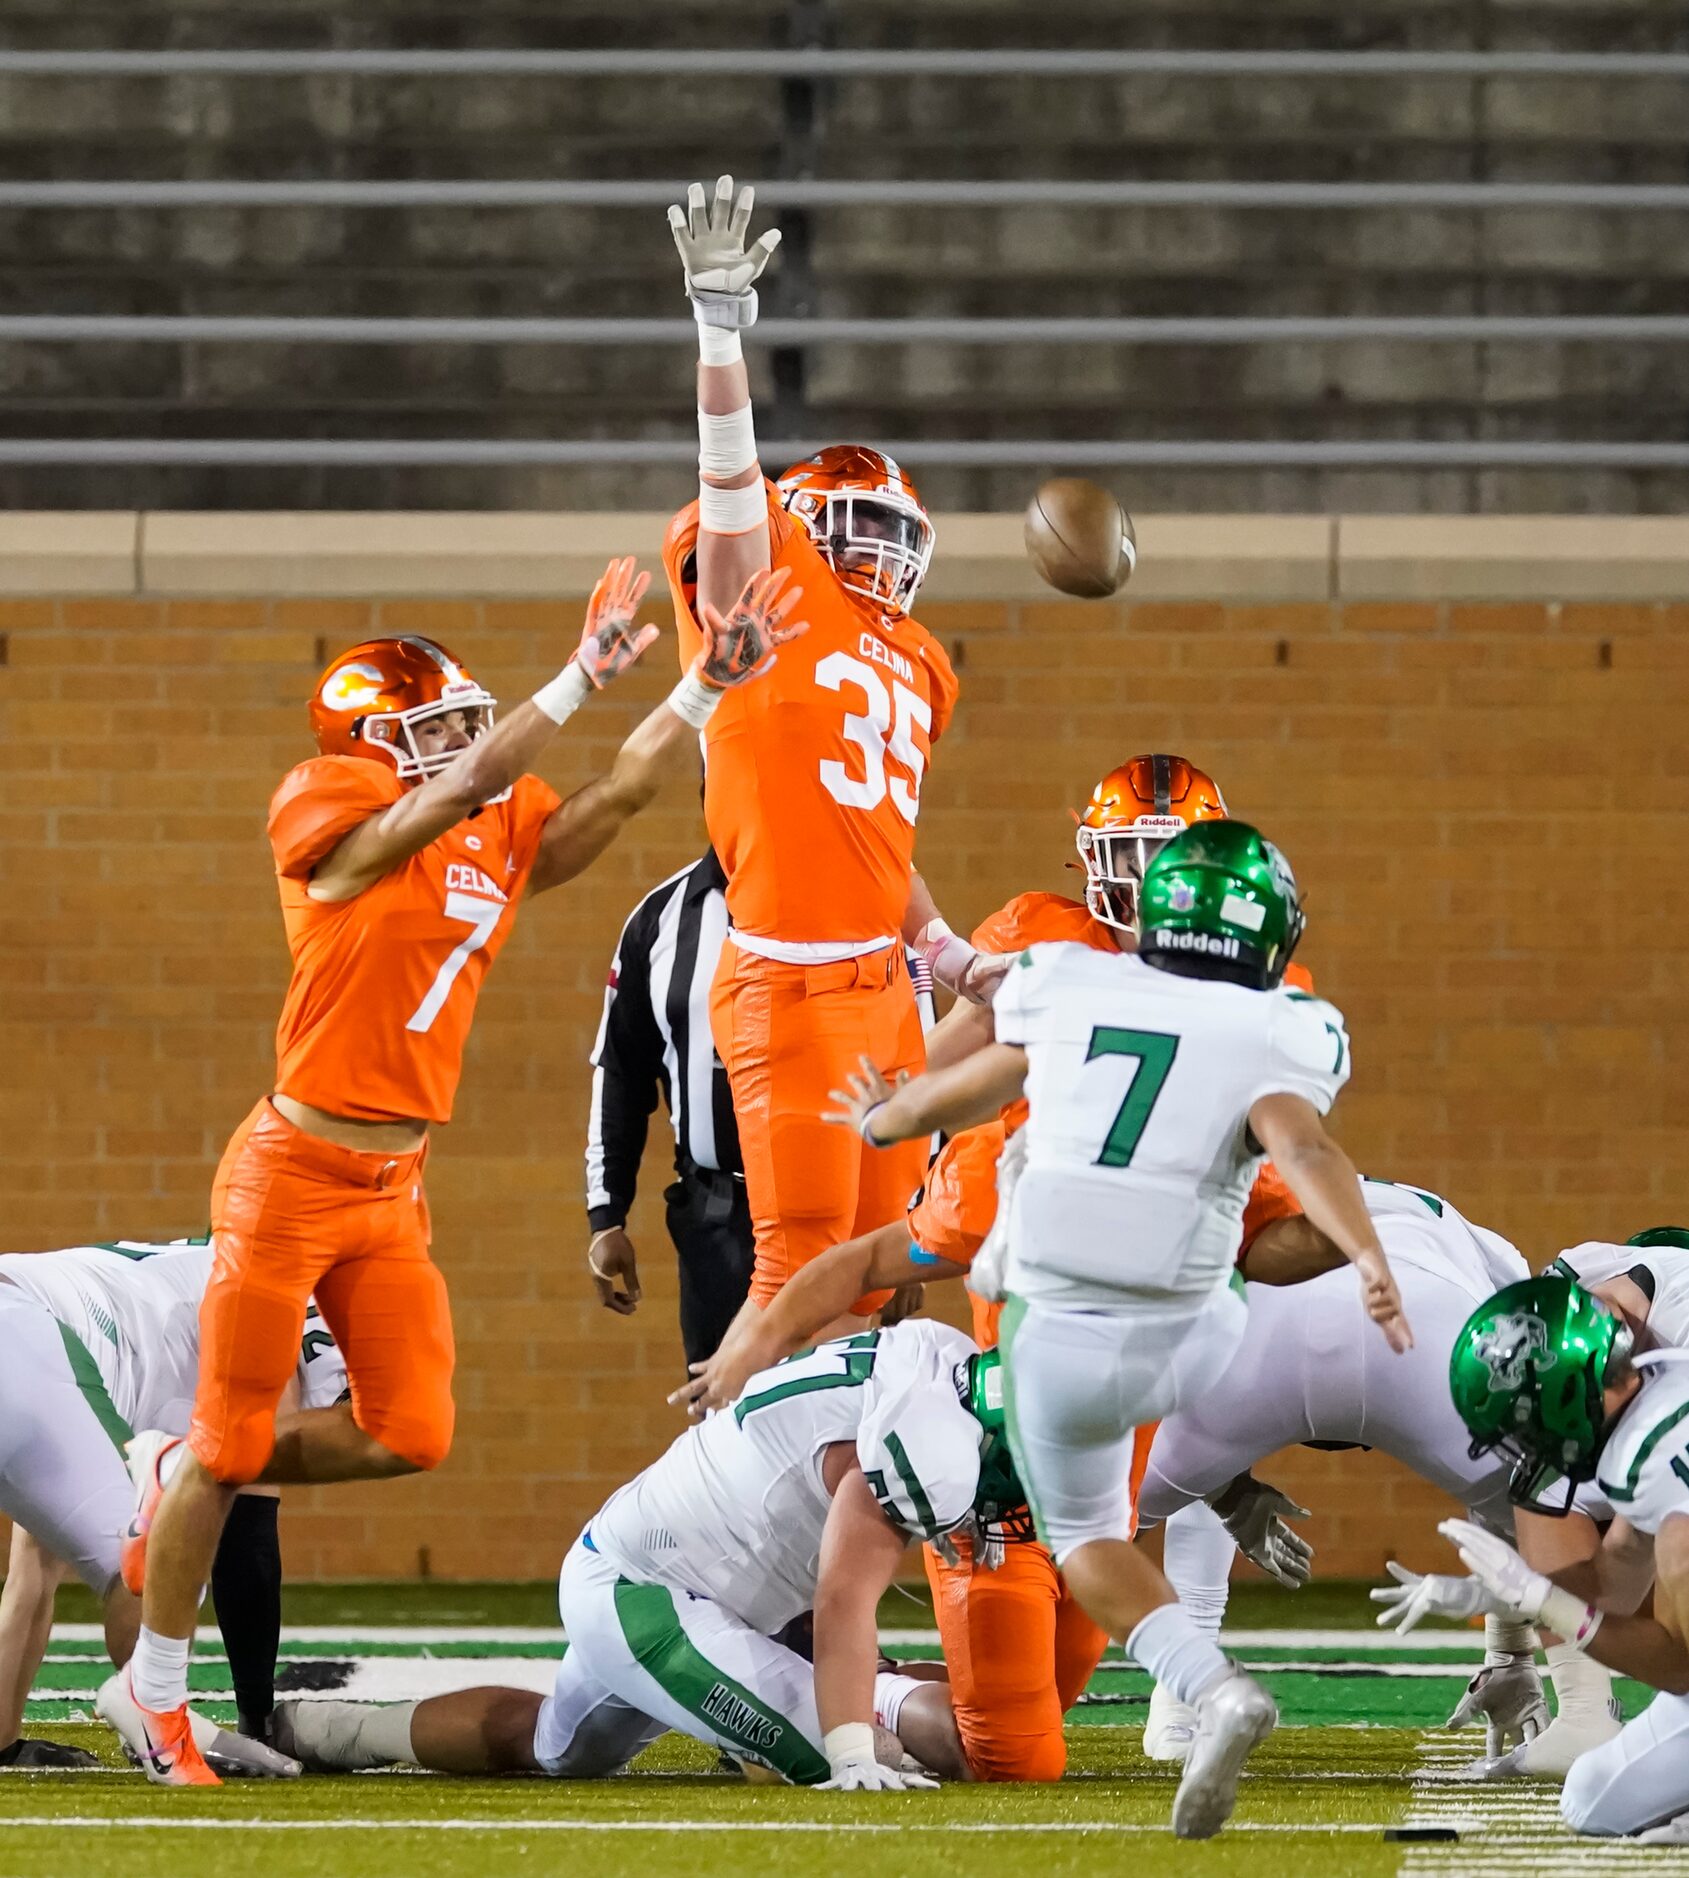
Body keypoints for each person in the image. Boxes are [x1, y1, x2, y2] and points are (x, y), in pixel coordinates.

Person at [105, 556, 806, 1785]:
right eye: (430, 728)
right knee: (228, 1440)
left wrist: (700, 684)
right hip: (290, 1169)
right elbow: (465, 786)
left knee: (408, 1429)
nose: (463, 745)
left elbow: (617, 796)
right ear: (368, 745)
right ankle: (154, 1697)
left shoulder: (483, 835)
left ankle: (185, 1467)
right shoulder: (329, 818)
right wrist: (581, 674)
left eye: (461, 724)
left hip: (390, 1189)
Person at [680, 756, 1302, 1778]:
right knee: (1013, 1754)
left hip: (1127, 1408)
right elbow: (936, 1082)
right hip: (1004, 1425)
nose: (1146, 889)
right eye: (1129, 860)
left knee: (1053, 1672)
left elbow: (1262, 1220)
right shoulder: (1046, 975)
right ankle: (801, 1688)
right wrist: (753, 1337)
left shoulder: (1249, 1004)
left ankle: (850, 1682)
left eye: (1170, 864)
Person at [826, 820, 1412, 1838]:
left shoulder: (1066, 979)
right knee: (1144, 1454)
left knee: (1088, 1538)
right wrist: (1367, 1256)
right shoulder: (1288, 1023)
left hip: (1059, 1331)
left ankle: (1213, 1687)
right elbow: (1306, 1147)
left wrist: (887, 1119)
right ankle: (1200, 1585)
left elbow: (984, 1083)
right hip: (1198, 1337)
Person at [660, 174, 1000, 1347]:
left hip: (882, 987)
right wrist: (719, 339)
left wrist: (944, 950)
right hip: (792, 987)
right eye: (850, 525)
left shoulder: (920, 663)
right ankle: (720, 1511)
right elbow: (730, 499)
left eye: (894, 535)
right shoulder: (772, 591)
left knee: (885, 1274)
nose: (876, 553)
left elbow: (870, 839)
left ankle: (846, 1516)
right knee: (795, 1274)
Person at [272, 1321, 1012, 1789]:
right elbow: (843, 1598)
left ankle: (320, 1730)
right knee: (856, 1755)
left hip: (674, 1582)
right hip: (650, 1594)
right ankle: (837, 1715)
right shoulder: (925, 1449)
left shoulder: (939, 1360)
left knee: (552, 1750)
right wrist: (851, 1750)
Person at [0, 1232, 341, 1774]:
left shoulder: (193, 1276)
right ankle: (159, 1734)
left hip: (30, 1330)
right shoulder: (279, 1303)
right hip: (26, 1345)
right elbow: (247, 1543)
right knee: (151, 1564)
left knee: (45, 1552)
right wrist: (258, 1719)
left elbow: (33, 1569)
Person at [1386, 1272, 1689, 1843]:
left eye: (1525, 1421)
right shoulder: (1658, 1389)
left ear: (1566, 1396)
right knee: (1588, 1795)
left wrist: (1548, 1601)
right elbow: (1613, 1582)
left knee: (1594, 1805)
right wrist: (1500, 1595)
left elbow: (1677, 1667)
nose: (1526, 1444)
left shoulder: (1655, 1460)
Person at [584, 847, 751, 1366]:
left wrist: (908, 1221)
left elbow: (909, 1056)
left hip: (831, 1214)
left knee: (831, 1410)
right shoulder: (661, 917)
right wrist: (607, 1215)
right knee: (719, 1411)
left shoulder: (847, 898)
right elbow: (622, 1072)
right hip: (717, 1216)